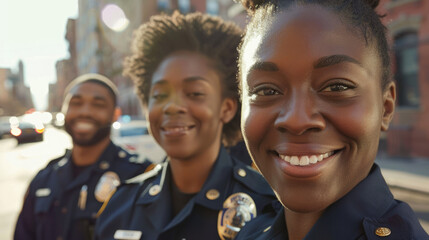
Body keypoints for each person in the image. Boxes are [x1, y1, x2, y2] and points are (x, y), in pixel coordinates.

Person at [235, 0, 429, 239]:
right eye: (266, 91)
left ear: (386, 108)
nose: (297, 120)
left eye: (337, 87)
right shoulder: (248, 233)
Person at [95, 11, 276, 240]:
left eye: (194, 93)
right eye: (160, 95)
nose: (172, 106)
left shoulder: (266, 209)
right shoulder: (120, 205)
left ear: (227, 108)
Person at [14, 73, 153, 240]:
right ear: (64, 110)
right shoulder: (43, 179)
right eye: (76, 103)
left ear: (115, 114)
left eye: (98, 104)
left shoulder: (142, 177)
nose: (85, 111)